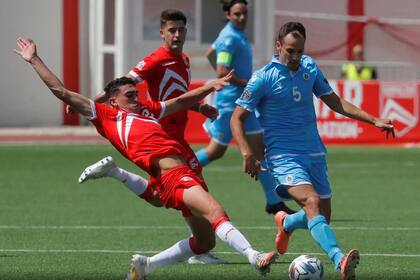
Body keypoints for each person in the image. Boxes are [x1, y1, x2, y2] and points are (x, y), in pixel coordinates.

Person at [15, 37, 278, 280]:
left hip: (179, 174)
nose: (136, 98)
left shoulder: (146, 110)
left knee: (205, 242)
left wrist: (208, 88)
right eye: (130, 95)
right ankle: (254, 257)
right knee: (215, 211)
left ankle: (147, 265)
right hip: (174, 176)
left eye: (136, 93)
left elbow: (179, 101)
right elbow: (61, 91)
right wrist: (34, 59)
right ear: (113, 100)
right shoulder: (107, 117)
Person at [231, 22, 395, 280]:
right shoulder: (263, 77)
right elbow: (237, 118)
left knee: (322, 216)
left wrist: (372, 120)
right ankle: (339, 260)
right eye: (290, 51)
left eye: (299, 51)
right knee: (312, 202)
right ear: (278, 46)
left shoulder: (309, 66)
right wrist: (246, 153)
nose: (295, 57)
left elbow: (334, 101)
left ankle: (286, 223)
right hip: (283, 155)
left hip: (314, 152)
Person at [77, 9, 225, 264]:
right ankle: (202, 248)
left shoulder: (185, 61)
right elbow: (122, 82)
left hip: (177, 135)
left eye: (181, 30)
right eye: (172, 30)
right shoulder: (155, 59)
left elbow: (178, 97)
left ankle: (116, 173)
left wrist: (200, 107)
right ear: (162, 33)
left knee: (161, 197)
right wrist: (91, 103)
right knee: (191, 188)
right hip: (162, 136)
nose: (177, 35)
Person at [195, 0, 295, 215]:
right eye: (237, 14)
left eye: (244, 13)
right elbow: (222, 71)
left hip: (243, 101)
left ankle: (273, 201)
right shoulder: (229, 38)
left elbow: (209, 54)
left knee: (260, 149)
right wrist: (249, 84)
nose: (242, 18)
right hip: (230, 104)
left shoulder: (234, 33)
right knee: (215, 151)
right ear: (228, 15)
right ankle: (177, 170)